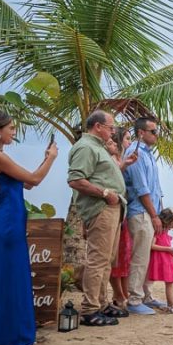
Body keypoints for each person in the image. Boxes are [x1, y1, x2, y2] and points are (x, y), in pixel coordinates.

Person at [0, 110, 58, 345]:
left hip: (9, 224)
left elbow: (28, 182)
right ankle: (6, 335)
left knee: (6, 278)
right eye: (10, 128)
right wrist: (51, 158)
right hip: (6, 225)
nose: (14, 132)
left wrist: (44, 159)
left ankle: (6, 331)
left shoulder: (1, 158)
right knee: (6, 279)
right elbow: (36, 180)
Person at [67, 110, 128, 326]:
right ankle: (89, 309)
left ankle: (100, 304)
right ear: (98, 126)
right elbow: (75, 180)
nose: (114, 131)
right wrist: (105, 193)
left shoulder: (98, 147)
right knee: (97, 259)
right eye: (111, 127)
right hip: (101, 207)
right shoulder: (85, 147)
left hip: (111, 208)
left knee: (106, 260)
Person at [123, 116, 165, 315]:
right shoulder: (136, 153)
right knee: (140, 256)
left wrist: (160, 214)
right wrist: (154, 215)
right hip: (140, 212)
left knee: (147, 255)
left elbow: (155, 187)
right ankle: (134, 299)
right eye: (153, 131)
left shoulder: (149, 155)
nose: (157, 135)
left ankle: (146, 296)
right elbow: (142, 189)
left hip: (149, 211)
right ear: (141, 133)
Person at [107, 127, 137, 310]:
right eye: (127, 138)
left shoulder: (121, 159)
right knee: (116, 257)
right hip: (114, 210)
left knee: (125, 257)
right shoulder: (111, 159)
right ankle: (119, 295)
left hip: (123, 211)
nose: (129, 142)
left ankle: (124, 294)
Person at [147, 208, 173, 313]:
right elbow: (152, 245)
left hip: (166, 259)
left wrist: (172, 251)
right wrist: (168, 249)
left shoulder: (165, 232)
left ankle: (170, 304)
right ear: (168, 221)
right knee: (169, 282)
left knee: (169, 282)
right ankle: (171, 305)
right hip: (162, 261)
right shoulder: (158, 232)